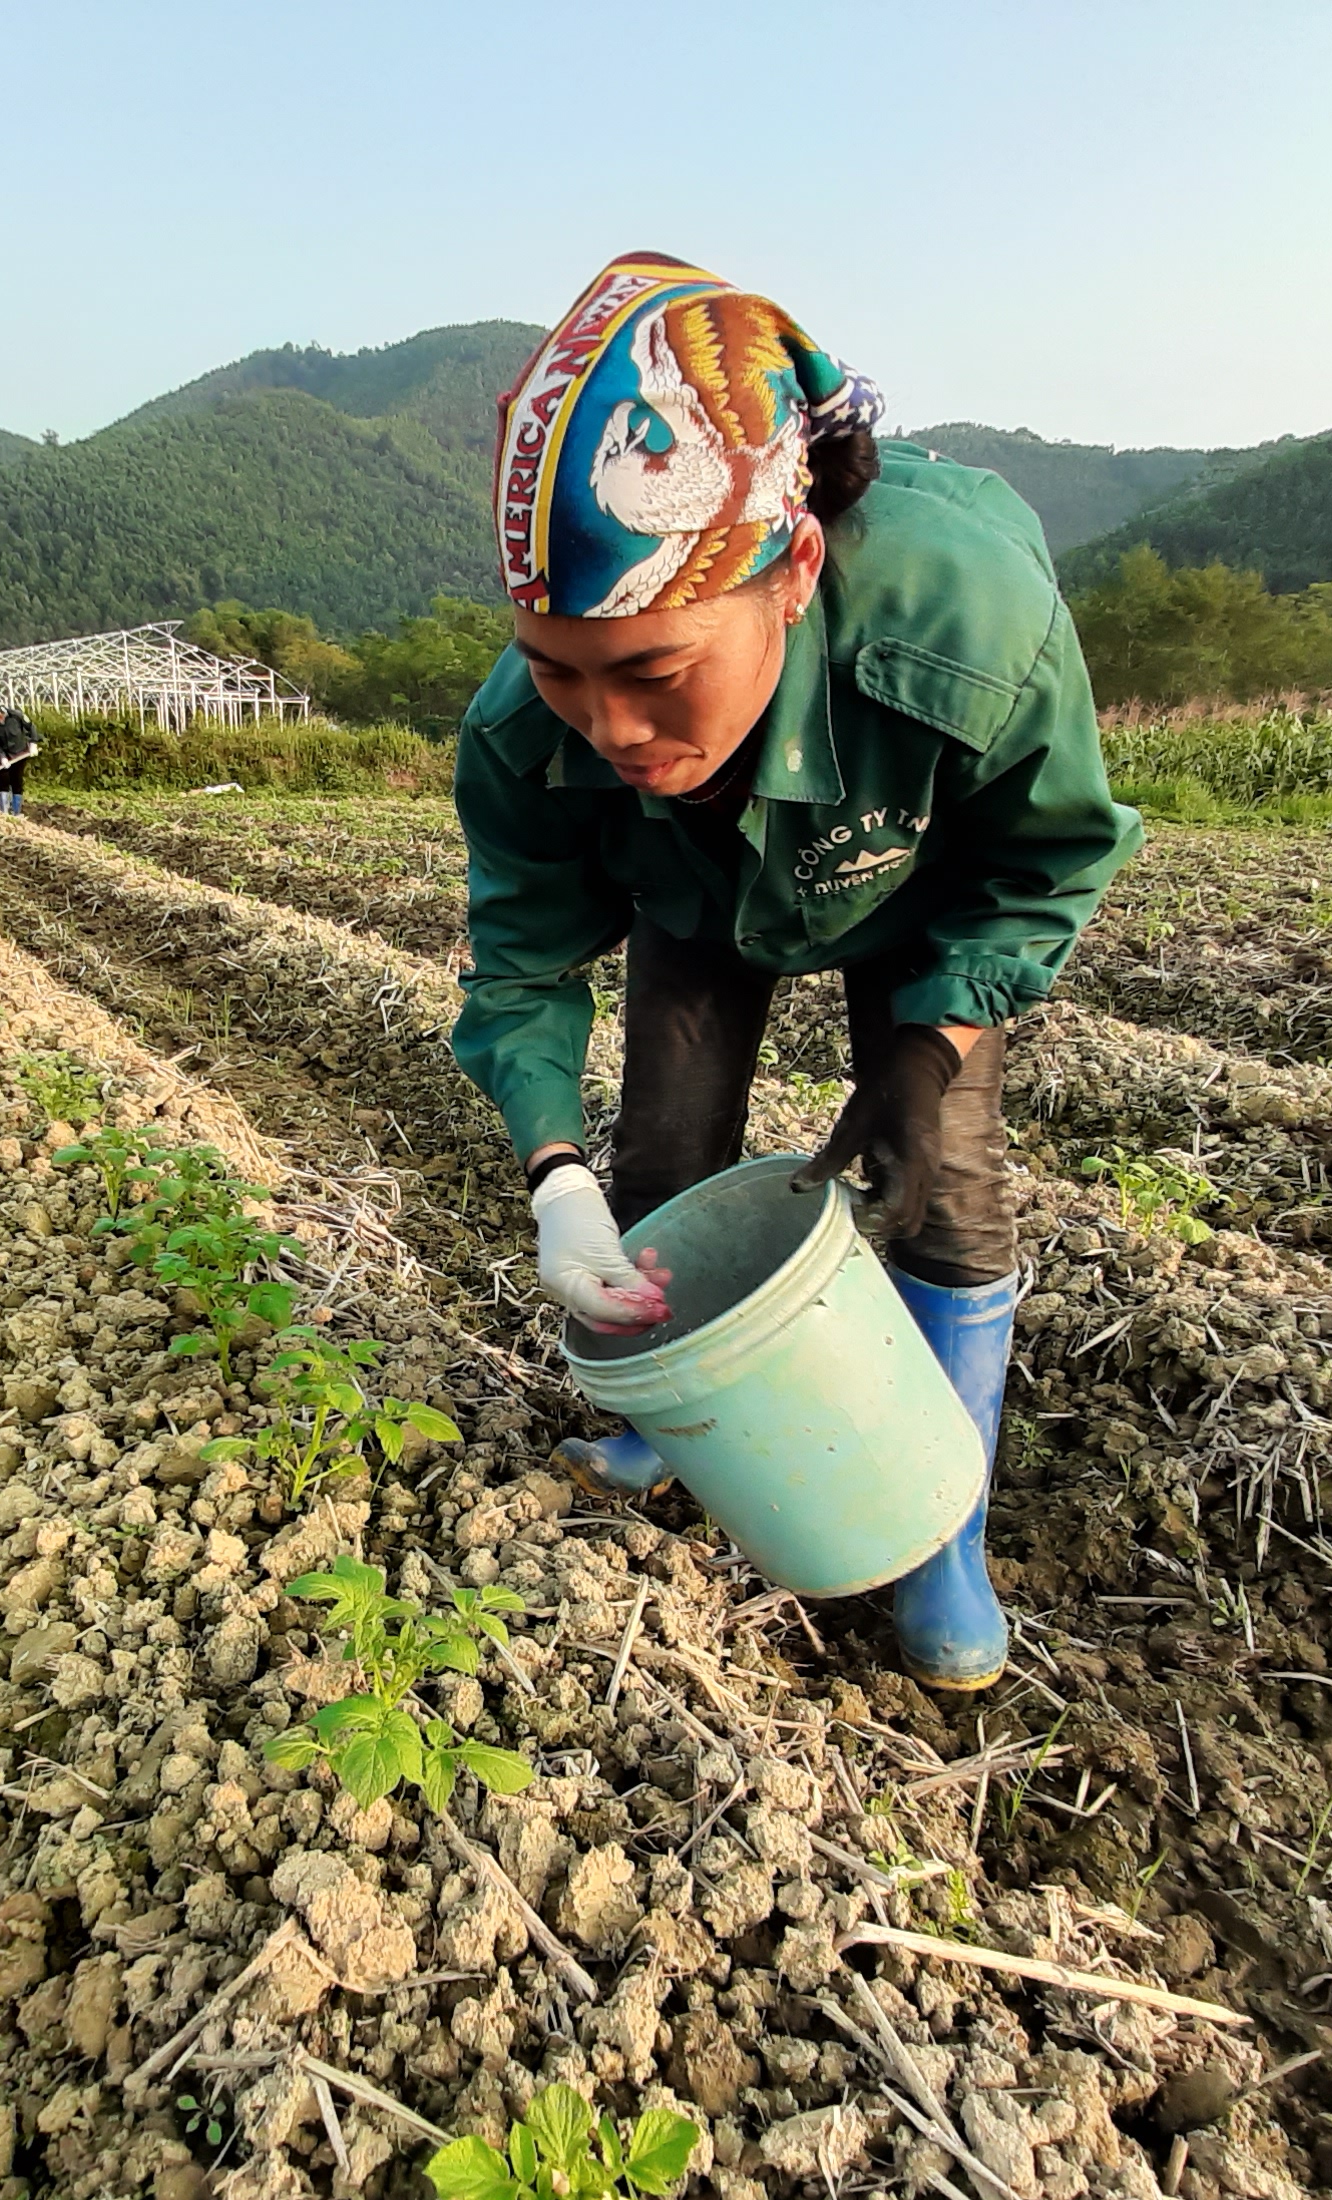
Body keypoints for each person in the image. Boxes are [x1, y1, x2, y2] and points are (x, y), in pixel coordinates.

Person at [451, 253, 1141, 1691]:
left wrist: (928, 1043)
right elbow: (521, 966)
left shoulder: (966, 633)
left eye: (654, 669)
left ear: (797, 572)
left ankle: (944, 1536)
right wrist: (555, 1180)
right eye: (561, 669)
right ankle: (665, 1428)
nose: (610, 726)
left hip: (913, 869)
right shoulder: (527, 735)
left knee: (944, 1183)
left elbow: (1043, 861)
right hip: (698, 900)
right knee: (667, 1157)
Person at [0, 705, 38, 815]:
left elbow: (31, 727)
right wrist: (1, 756)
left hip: (19, 752)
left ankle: (17, 811)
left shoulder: (17, 716)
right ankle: (4, 812)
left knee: (17, 781)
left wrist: (33, 743)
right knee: (3, 780)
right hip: (2, 753)